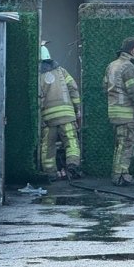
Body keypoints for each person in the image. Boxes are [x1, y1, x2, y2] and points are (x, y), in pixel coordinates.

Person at [104, 36, 134, 186]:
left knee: (119, 145)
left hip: (114, 112)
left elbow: (105, 86)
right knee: (127, 145)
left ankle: (117, 174)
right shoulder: (129, 67)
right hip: (127, 114)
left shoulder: (111, 65)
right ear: (133, 49)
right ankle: (122, 176)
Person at [39, 44, 83, 182]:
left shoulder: (37, 76)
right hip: (67, 116)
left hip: (49, 119)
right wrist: (77, 109)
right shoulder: (62, 71)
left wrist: (40, 118)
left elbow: (38, 98)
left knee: (47, 147)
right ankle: (72, 167)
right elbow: (73, 89)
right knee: (71, 142)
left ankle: (50, 173)